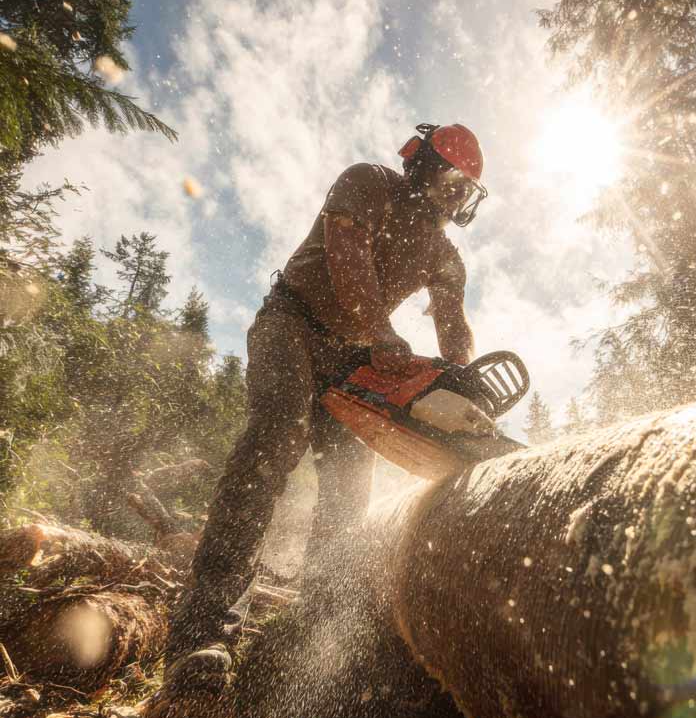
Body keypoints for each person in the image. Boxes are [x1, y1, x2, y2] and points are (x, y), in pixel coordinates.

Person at [162, 123, 489, 684]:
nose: (456, 197)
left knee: (349, 482)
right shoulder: (368, 183)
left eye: (467, 191)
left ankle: (313, 627)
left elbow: (454, 324)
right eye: (452, 182)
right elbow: (347, 258)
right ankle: (203, 628)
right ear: (424, 164)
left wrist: (460, 379)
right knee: (276, 437)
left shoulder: (445, 255)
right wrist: (379, 330)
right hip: (292, 321)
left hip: (351, 359)